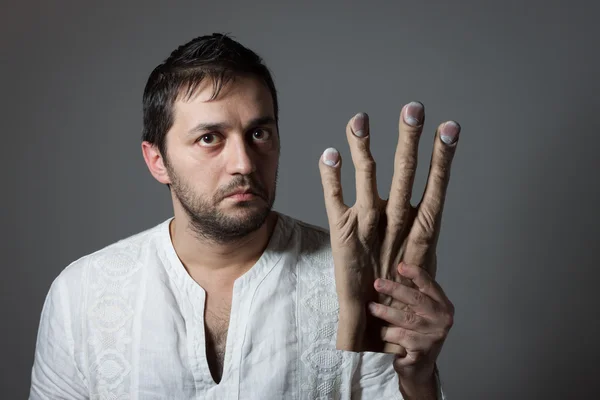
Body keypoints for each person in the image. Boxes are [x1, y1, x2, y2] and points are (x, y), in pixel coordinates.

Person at [30, 33, 459, 399]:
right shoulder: (81, 295)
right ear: (157, 159)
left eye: (258, 133)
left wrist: (417, 377)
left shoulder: (356, 278)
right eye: (210, 138)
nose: (244, 163)